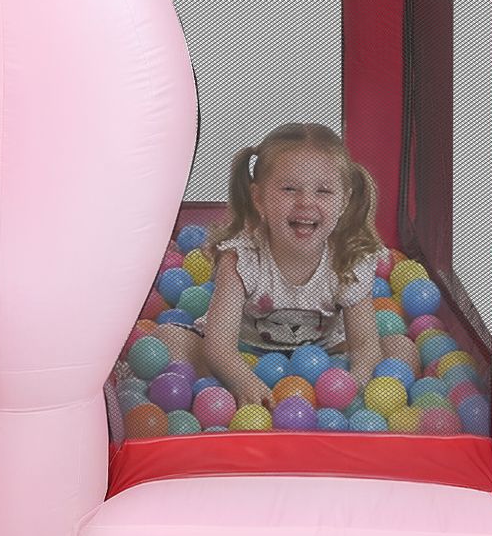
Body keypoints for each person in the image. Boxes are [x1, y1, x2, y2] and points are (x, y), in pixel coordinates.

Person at [155, 121, 415, 408]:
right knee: (166, 341)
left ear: (344, 201)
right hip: (244, 355)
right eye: (289, 189)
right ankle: (228, 395)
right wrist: (244, 382)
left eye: (323, 191)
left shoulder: (348, 259)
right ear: (259, 198)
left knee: (401, 348)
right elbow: (219, 346)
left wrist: (352, 385)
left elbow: (365, 345)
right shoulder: (242, 259)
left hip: (326, 358)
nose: (306, 202)